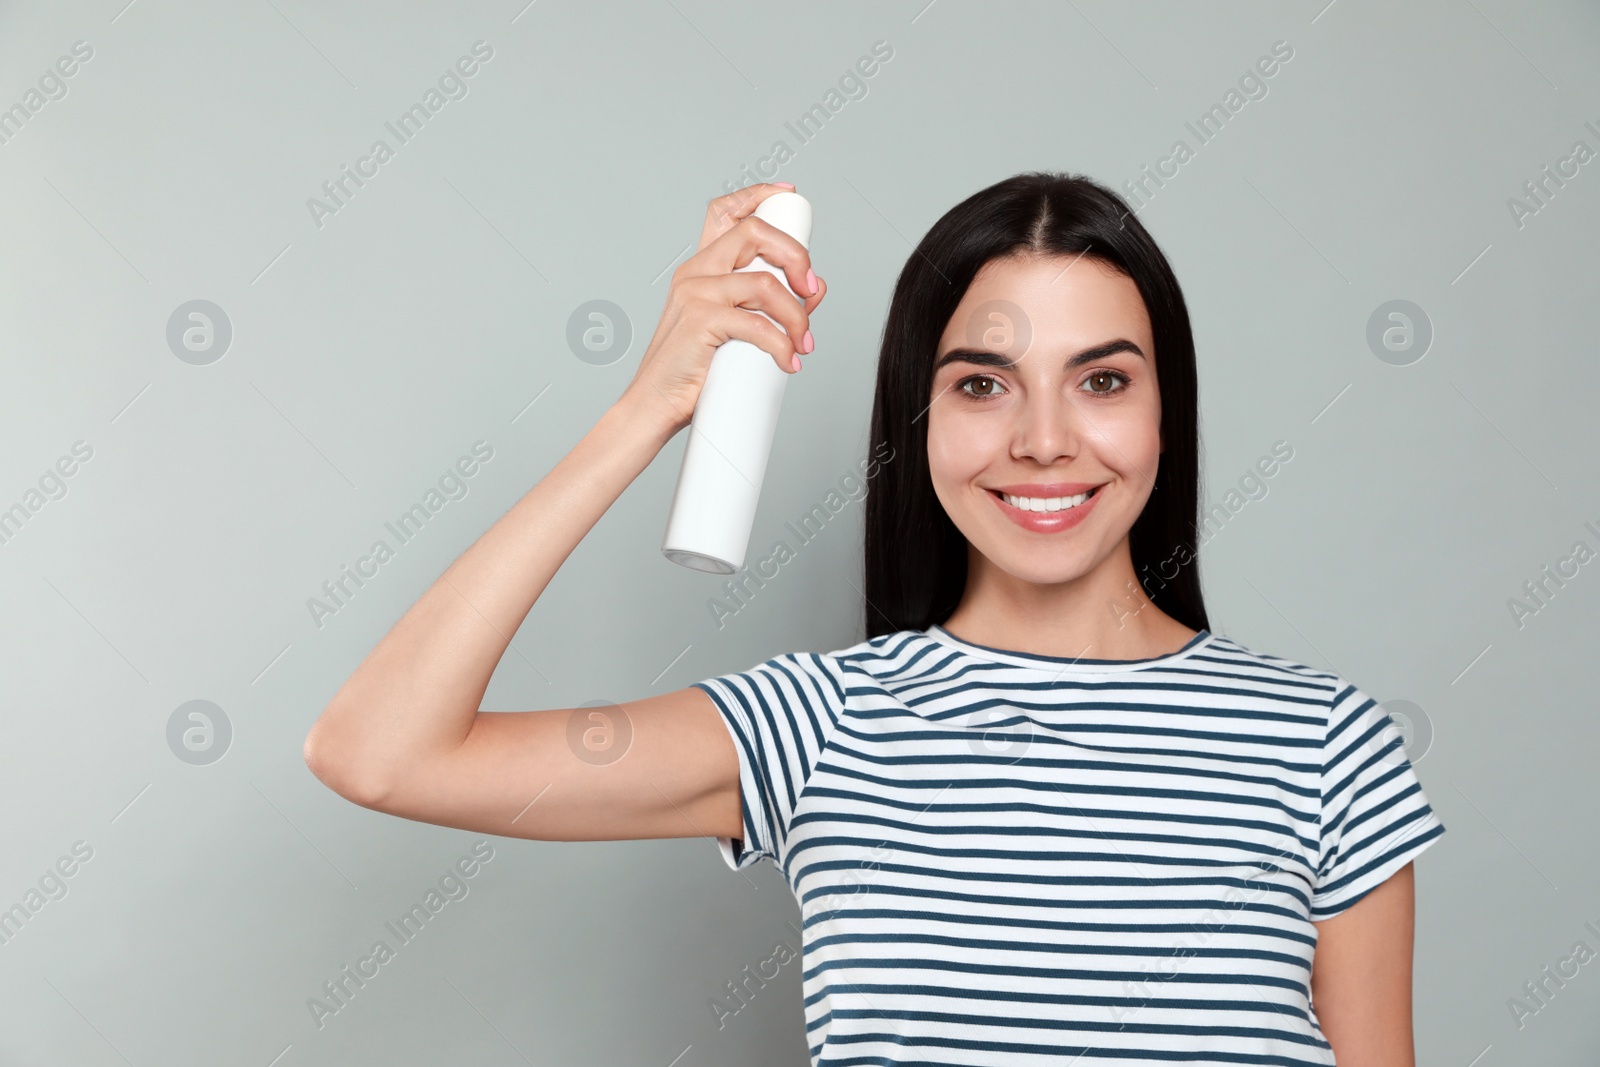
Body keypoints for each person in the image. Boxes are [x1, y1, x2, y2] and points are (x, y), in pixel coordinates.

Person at [304, 172, 1446, 1066]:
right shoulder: (824, 725)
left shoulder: (1322, 742)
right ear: (920, 413)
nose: (1043, 438)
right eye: (981, 383)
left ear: (1164, 410)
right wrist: (651, 402)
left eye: (1101, 379)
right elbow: (379, 750)